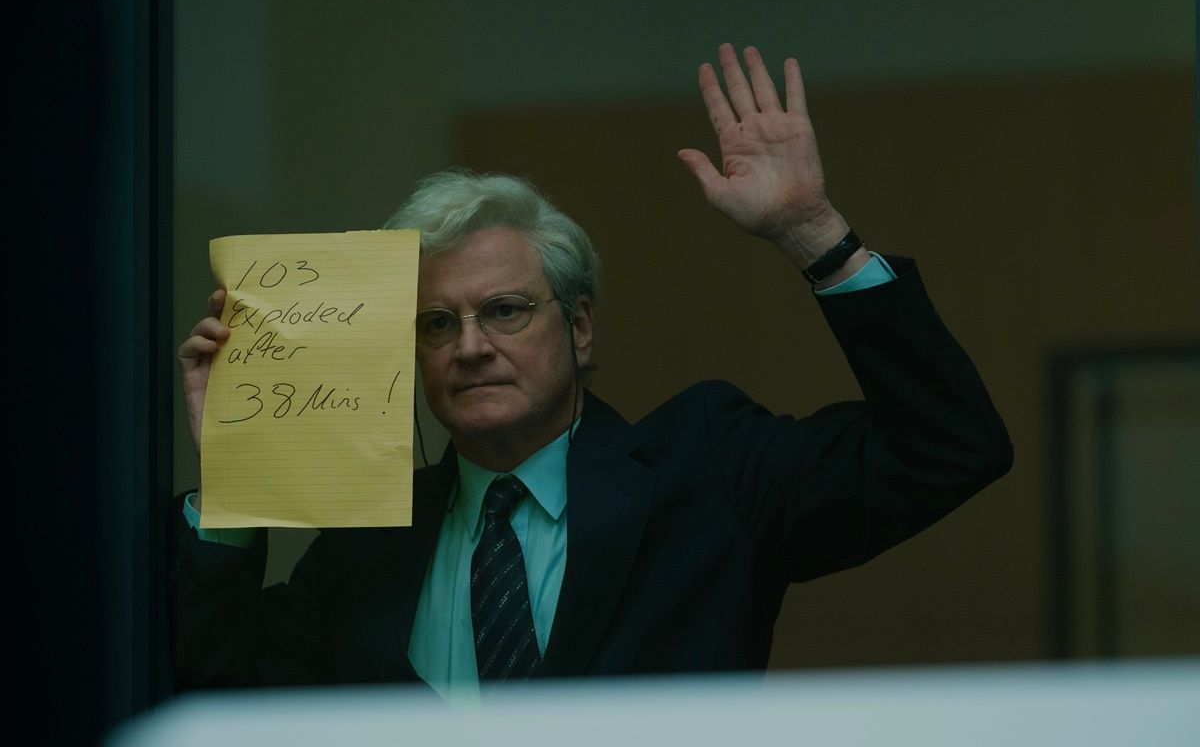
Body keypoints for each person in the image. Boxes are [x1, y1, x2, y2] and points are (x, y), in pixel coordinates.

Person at [174, 44, 1011, 703]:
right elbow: (213, 695)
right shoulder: (369, 540)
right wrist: (235, 476)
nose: (471, 346)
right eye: (437, 324)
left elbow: (948, 448)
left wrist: (813, 234)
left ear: (577, 327)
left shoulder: (708, 474)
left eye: (505, 310)